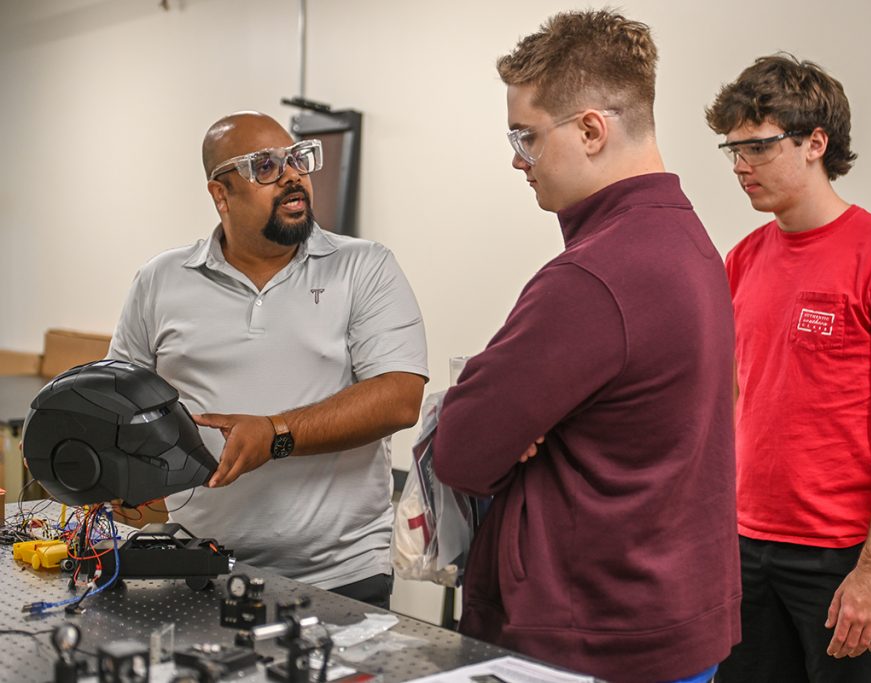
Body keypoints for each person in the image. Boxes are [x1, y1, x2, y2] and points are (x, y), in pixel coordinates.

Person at [431, 11, 740, 682]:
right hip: (671, 620)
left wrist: (505, 419)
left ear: (592, 130)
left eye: (526, 136)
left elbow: (460, 448)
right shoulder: (689, 243)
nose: (517, 157)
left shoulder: (593, 277)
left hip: (591, 639)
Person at [108, 111, 428, 609]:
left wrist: (276, 433)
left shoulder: (365, 267)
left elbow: (399, 398)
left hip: (341, 574)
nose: (293, 175)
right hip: (199, 564)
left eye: (298, 159)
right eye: (266, 167)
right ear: (221, 194)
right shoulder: (160, 280)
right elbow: (120, 402)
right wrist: (121, 477)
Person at [706, 54, 871, 681]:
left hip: (841, 558)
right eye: (731, 149)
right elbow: (732, 404)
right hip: (744, 548)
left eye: (756, 146)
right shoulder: (742, 260)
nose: (739, 166)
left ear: (816, 142)